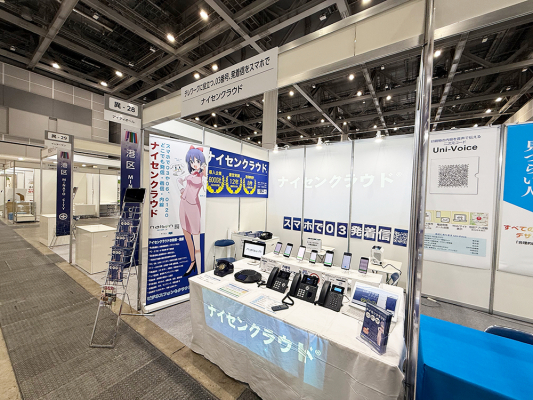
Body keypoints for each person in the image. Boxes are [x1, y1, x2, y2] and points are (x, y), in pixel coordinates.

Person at [178, 146, 207, 276]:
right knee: (186, 235)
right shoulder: (190, 175)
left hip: (194, 206)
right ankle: (192, 262)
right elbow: (178, 180)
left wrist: (204, 168)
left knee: (196, 239)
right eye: (192, 161)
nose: (194, 164)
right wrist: (181, 190)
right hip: (183, 205)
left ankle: (199, 273)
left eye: (197, 161)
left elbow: (206, 187)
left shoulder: (202, 175)